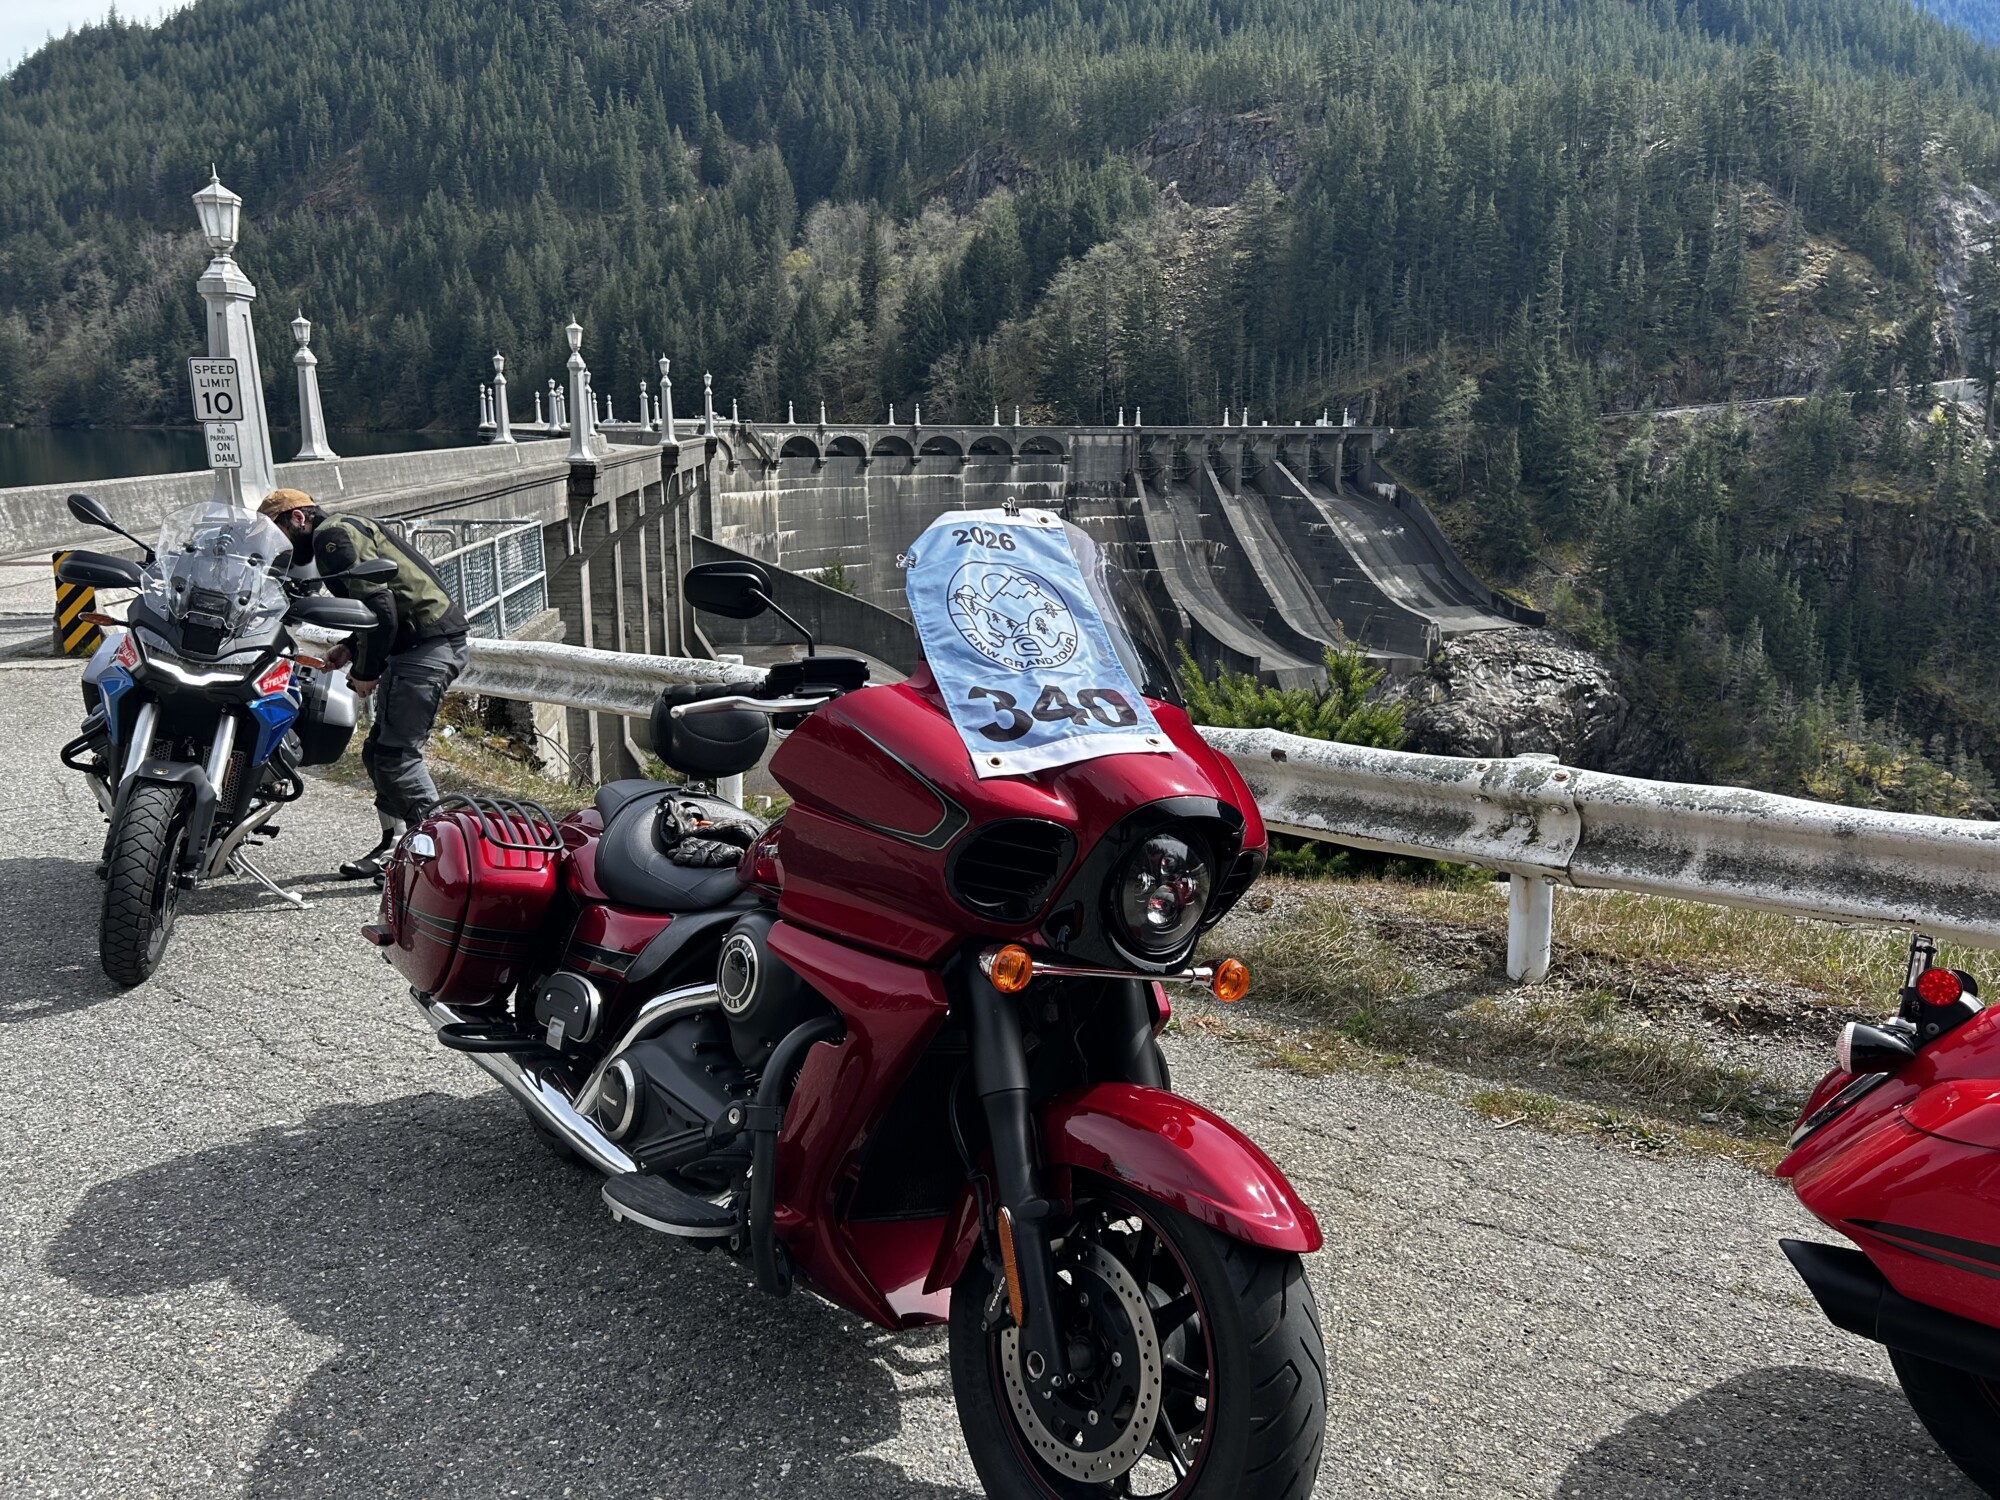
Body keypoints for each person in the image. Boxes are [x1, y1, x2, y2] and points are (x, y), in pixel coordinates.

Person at [258, 488, 469, 879]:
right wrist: (350, 647)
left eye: (278, 532)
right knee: (377, 753)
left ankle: (441, 860)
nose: (280, 545)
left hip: (426, 646)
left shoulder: (331, 537)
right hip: (417, 643)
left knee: (398, 756)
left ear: (298, 518)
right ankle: (396, 844)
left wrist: (367, 671)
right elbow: (380, 607)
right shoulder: (345, 527)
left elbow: (382, 610)